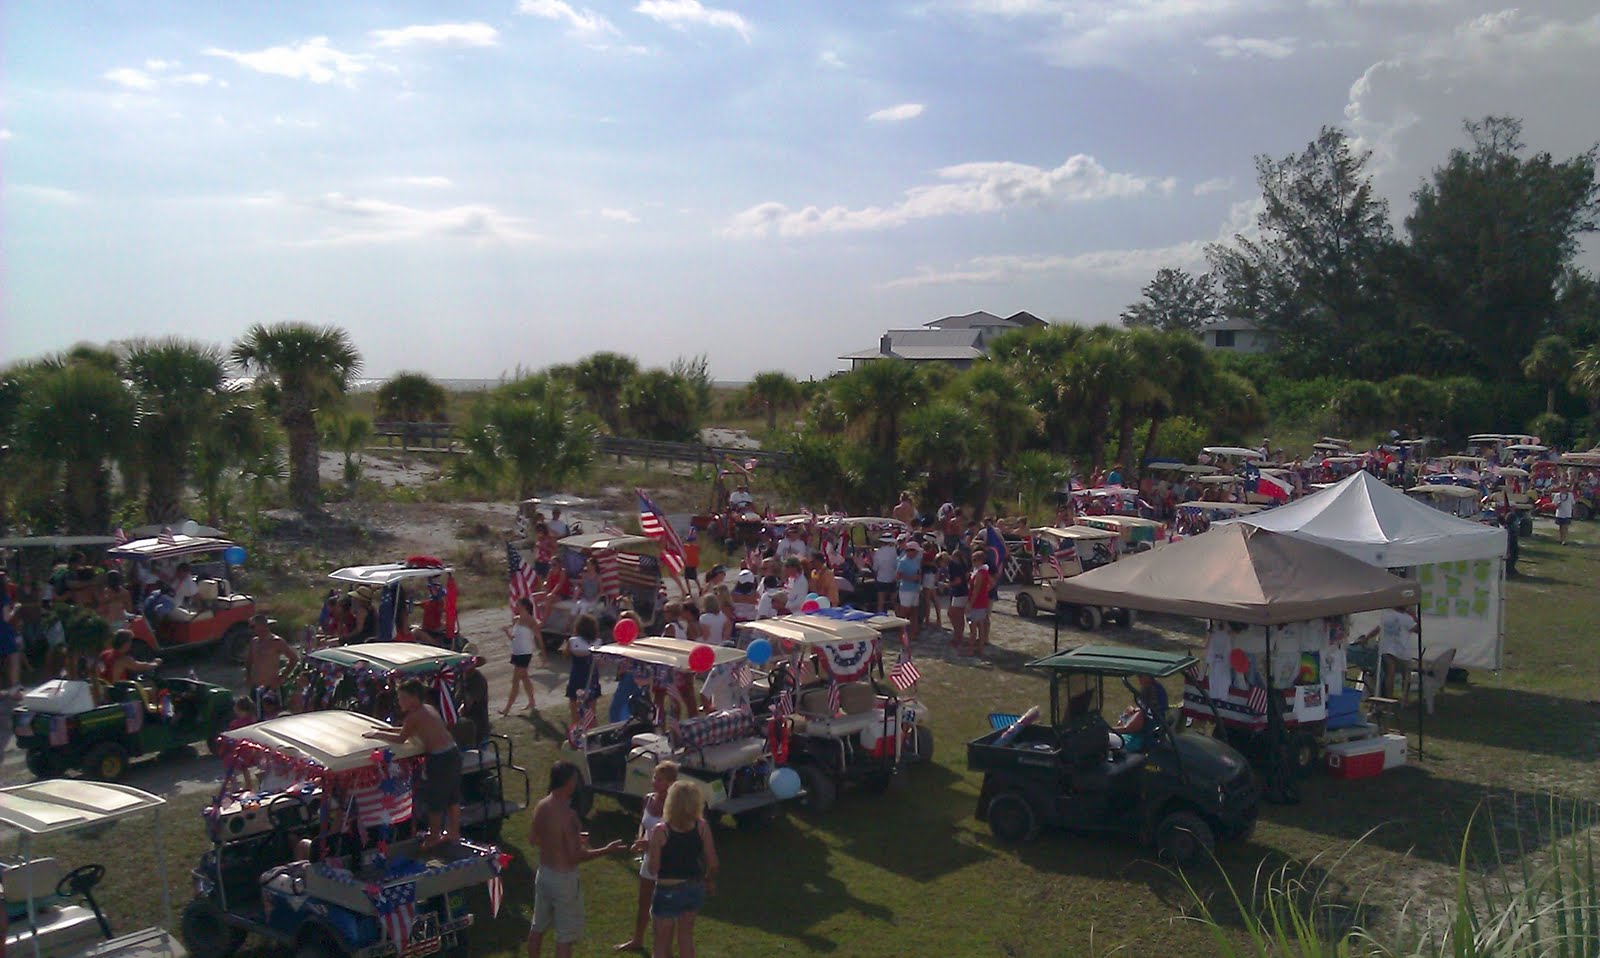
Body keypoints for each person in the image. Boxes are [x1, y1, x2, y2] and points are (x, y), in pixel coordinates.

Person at [528, 762, 627, 958]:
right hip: (564, 881)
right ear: (568, 782)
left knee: (537, 928)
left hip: (544, 874)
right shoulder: (569, 816)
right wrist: (607, 850)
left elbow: (534, 839)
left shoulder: (541, 806)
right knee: (564, 937)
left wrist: (561, 842)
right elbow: (576, 857)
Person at [364, 678, 461, 850]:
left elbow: (401, 738)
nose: (399, 701)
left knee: (436, 799)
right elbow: (407, 730)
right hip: (453, 753)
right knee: (452, 796)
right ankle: (454, 832)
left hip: (440, 759)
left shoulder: (414, 716)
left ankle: (434, 837)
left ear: (414, 698)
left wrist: (378, 735)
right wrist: (384, 730)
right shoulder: (428, 709)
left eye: (402, 698)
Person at [644, 779, 719, 958]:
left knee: (661, 943)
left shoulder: (661, 830)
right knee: (686, 937)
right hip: (694, 886)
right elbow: (713, 863)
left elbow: (653, 869)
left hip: (667, 889)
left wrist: (649, 850)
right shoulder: (702, 826)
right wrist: (708, 880)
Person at [615, 761, 679, 953]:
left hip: (667, 862)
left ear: (670, 783)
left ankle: (664, 948)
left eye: (660, 779)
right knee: (643, 901)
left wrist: (648, 845)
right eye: (654, 778)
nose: (654, 782)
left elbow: (673, 840)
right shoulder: (648, 800)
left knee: (665, 908)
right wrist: (640, 839)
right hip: (649, 858)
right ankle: (637, 940)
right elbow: (643, 825)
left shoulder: (675, 807)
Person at [245, 614, 299, 718]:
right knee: (255, 716)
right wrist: (248, 675)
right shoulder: (254, 642)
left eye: (253, 626)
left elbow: (294, 659)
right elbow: (249, 660)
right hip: (256, 686)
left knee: (273, 717)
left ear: (262, 626)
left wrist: (281, 677)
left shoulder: (276, 642)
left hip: (270, 687)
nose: (251, 630)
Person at [1362, 605, 1419, 700]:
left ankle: (1389, 697)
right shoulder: (1407, 618)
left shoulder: (1387, 614)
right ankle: (1403, 699)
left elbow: (1378, 628)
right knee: (1405, 674)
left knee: (1390, 673)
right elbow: (1417, 630)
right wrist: (1414, 617)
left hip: (1387, 649)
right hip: (1401, 650)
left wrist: (1366, 638)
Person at [503, 597, 544, 715]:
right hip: (517, 652)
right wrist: (507, 632)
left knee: (515, 680)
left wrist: (543, 653)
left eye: (518, 605)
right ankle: (532, 701)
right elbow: (514, 639)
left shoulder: (531, 620)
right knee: (525, 678)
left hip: (525, 653)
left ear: (524, 606)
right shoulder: (516, 620)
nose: (516, 606)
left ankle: (507, 708)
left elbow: (539, 637)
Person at [1111, 674, 1169, 752]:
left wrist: (1106, 730)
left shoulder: (1144, 713)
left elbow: (1128, 728)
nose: (1138, 679)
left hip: (1134, 741)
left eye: (1140, 676)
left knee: (1104, 740)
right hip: (1139, 738)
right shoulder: (1155, 711)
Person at [96, 630, 161, 687]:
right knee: (152, 686)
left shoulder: (104, 654)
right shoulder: (124, 660)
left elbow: (99, 669)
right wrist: (155, 663)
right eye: (130, 641)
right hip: (118, 691)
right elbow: (141, 666)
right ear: (126, 644)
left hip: (104, 688)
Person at [565, 614, 599, 724]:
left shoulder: (573, 641)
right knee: (591, 709)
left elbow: (566, 654)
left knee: (575, 708)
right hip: (592, 677)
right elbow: (600, 662)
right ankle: (592, 729)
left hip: (577, 676)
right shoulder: (598, 642)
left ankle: (577, 730)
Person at [965, 550, 993, 656]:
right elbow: (991, 583)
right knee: (980, 626)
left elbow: (976, 590)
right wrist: (985, 591)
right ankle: (980, 648)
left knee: (973, 627)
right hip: (982, 601)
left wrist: (970, 604)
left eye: (974, 560)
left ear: (980, 560)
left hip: (976, 603)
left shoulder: (980, 573)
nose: (972, 562)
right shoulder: (984, 571)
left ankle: (971, 649)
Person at [895, 540, 922, 634]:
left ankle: (914, 631)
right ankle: (902, 632)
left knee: (914, 611)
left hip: (915, 588)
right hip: (906, 589)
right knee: (904, 611)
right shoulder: (903, 561)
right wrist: (910, 578)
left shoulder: (916, 560)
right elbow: (897, 576)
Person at [0, 575, 20, 690]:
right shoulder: (4, 597)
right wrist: (15, 609)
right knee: (14, 657)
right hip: (4, 631)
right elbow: (6, 617)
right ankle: (14, 686)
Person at [871, 535, 898, 614]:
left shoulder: (878, 552)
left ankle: (880, 616)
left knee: (881, 601)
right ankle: (899, 616)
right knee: (894, 601)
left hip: (881, 578)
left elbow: (876, 567)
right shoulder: (894, 551)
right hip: (892, 578)